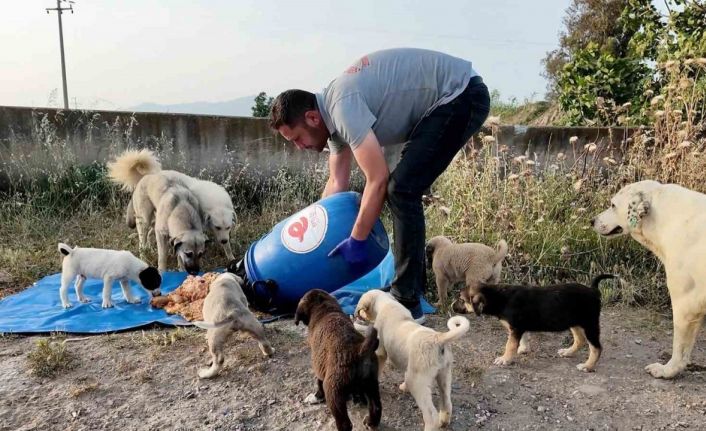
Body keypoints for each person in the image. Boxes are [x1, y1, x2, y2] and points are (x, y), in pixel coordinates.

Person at [268, 48, 490, 323]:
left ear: (312, 118)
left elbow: (377, 179)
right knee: (403, 188)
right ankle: (412, 289)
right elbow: (336, 183)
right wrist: (315, 234)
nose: (300, 147)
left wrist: (358, 240)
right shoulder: (332, 121)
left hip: (461, 94)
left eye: (297, 139)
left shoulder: (342, 108)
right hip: (448, 99)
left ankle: (407, 302)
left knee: (402, 188)